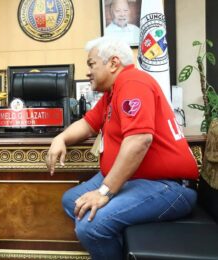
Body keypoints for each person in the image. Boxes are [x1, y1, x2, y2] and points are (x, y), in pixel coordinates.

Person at [46, 37, 198, 260]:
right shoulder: (112, 92)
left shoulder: (133, 82)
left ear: (114, 63)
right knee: (72, 201)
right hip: (135, 179)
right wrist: (61, 138)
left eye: (91, 64)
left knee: (91, 227)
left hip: (169, 186)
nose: (88, 71)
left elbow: (139, 141)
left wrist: (104, 192)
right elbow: (88, 124)